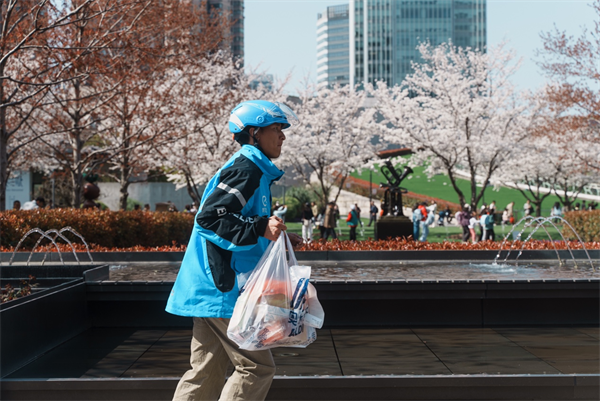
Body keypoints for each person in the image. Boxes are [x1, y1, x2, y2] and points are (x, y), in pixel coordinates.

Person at [167, 100, 301, 401]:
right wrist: (258, 228)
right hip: (222, 289)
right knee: (256, 368)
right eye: (276, 129)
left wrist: (273, 237)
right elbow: (210, 218)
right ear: (254, 133)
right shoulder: (247, 169)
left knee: (206, 371)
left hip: (210, 287)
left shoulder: (253, 168)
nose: (282, 136)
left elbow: (237, 219)